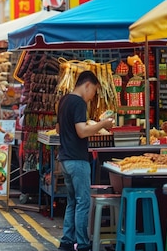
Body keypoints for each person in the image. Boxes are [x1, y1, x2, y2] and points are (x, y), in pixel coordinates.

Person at [56, 71, 114, 251]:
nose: (93, 96)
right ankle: (82, 244)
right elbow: (82, 131)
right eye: (94, 92)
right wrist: (103, 124)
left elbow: (58, 129)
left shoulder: (64, 100)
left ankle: (66, 241)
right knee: (83, 202)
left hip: (65, 158)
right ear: (87, 85)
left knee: (72, 201)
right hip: (77, 159)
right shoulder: (78, 102)